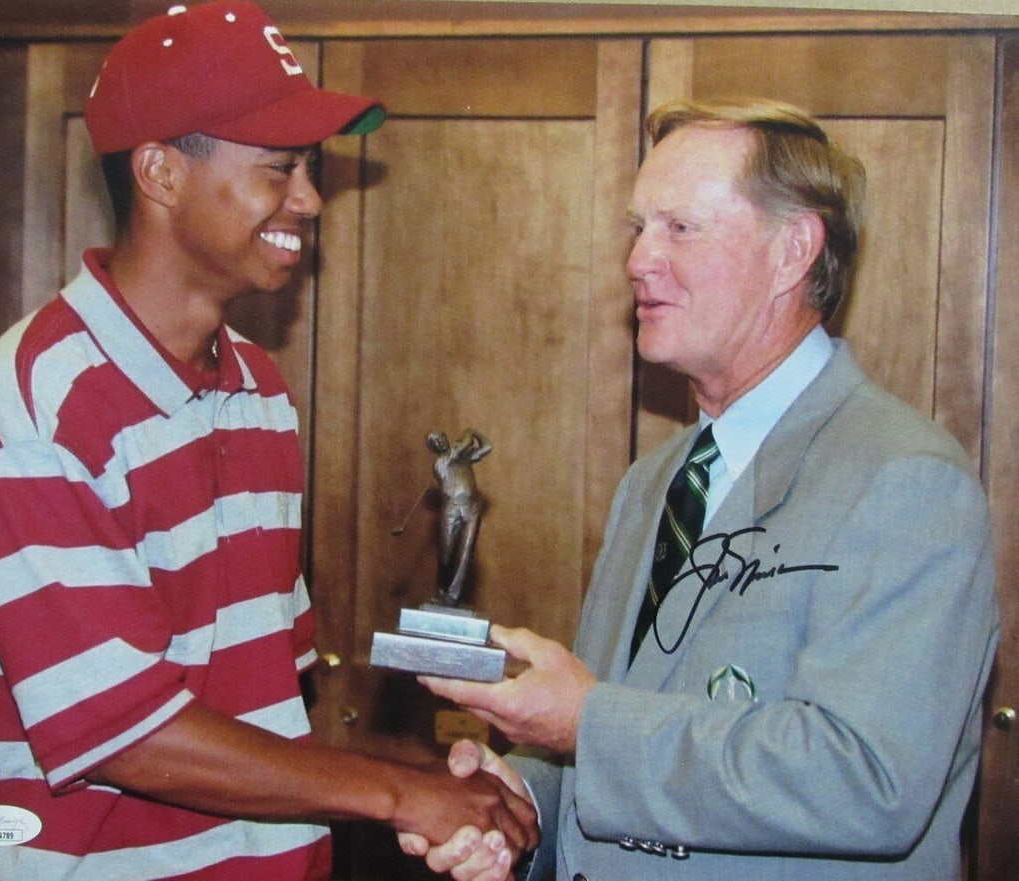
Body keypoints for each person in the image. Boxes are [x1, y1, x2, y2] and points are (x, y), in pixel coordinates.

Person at [0, 3, 536, 879]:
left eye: (309, 169)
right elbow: (121, 731)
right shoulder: (33, 405)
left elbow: (266, 696)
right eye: (279, 169)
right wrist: (400, 795)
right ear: (161, 172)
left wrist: (431, 771)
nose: (310, 200)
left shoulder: (259, 389)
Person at [400, 98, 1000, 880]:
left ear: (793, 251)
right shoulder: (655, 481)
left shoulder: (905, 481)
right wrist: (521, 806)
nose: (637, 260)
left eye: (680, 227)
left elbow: (867, 779)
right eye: (638, 227)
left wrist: (587, 724)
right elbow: (633, 721)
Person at [426, 428, 492, 606]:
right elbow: (463, 445)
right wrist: (468, 435)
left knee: (466, 552)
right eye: (435, 442)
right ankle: (442, 589)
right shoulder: (440, 464)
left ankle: (453, 596)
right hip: (452, 509)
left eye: (441, 438)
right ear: (433, 448)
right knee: (446, 555)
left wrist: (475, 432)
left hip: (472, 509)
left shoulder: (464, 458)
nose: (440, 442)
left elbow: (487, 447)